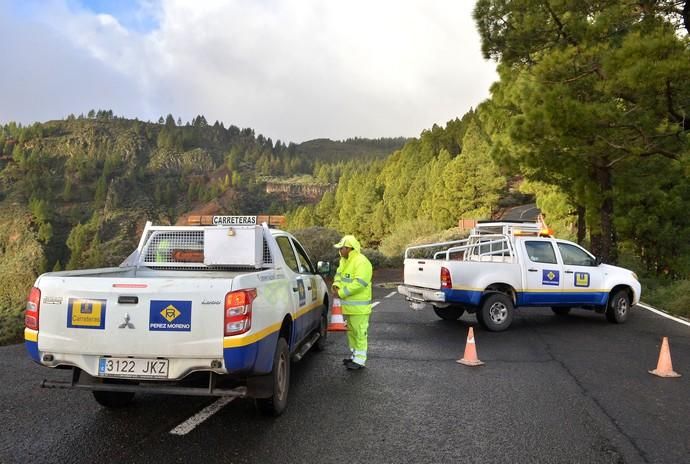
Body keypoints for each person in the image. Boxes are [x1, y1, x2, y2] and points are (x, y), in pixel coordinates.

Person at [332, 235, 373, 370]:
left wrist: (341, 293)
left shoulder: (362, 262)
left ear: (349, 248)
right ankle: (355, 356)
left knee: (360, 333)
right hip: (349, 307)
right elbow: (338, 275)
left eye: (341, 248)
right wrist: (336, 286)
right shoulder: (344, 260)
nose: (340, 251)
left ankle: (360, 360)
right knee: (352, 333)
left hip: (359, 308)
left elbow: (359, 283)